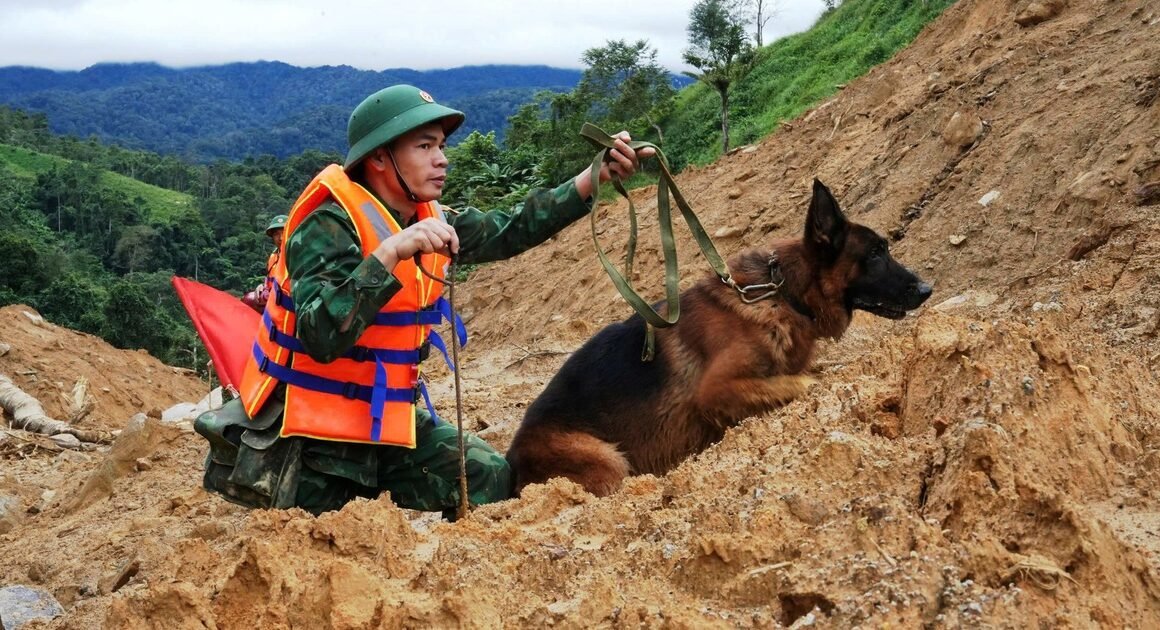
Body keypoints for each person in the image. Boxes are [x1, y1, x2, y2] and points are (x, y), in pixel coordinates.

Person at [195, 84, 652, 518]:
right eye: (425, 147)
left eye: (441, 147)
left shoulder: (420, 215)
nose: (442, 160)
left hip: (381, 422)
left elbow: (509, 227)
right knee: (329, 549)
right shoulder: (326, 225)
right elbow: (320, 337)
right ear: (379, 157)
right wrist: (390, 253)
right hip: (312, 439)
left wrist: (594, 178)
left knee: (488, 477)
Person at [241, 215, 287, 313]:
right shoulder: (273, 256)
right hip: (272, 299)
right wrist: (262, 287)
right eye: (276, 234)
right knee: (248, 300)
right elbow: (270, 280)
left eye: (284, 232)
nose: (281, 238)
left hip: (286, 303)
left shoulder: (296, 256)